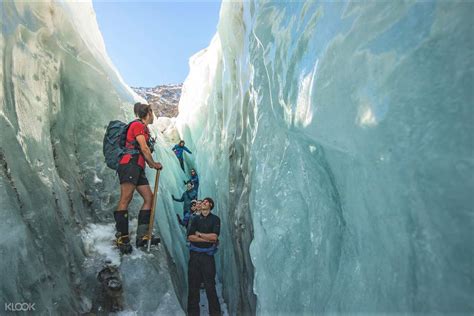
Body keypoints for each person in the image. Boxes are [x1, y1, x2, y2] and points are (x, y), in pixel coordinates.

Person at [115, 102, 162, 254]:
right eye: (152, 112)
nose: (153, 115)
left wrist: (148, 163)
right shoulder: (138, 126)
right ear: (147, 113)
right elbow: (144, 147)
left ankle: (142, 236)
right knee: (125, 198)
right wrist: (153, 163)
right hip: (130, 164)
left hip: (138, 167)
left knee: (149, 197)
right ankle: (122, 238)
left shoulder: (145, 129)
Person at [187, 197, 221, 316]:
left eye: (206, 202)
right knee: (193, 287)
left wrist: (200, 235)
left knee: (210, 286)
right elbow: (190, 237)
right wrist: (208, 239)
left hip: (207, 257)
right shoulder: (195, 219)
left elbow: (214, 237)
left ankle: (215, 314)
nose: (203, 203)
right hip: (195, 256)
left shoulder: (215, 219)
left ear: (210, 205)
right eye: (202, 202)